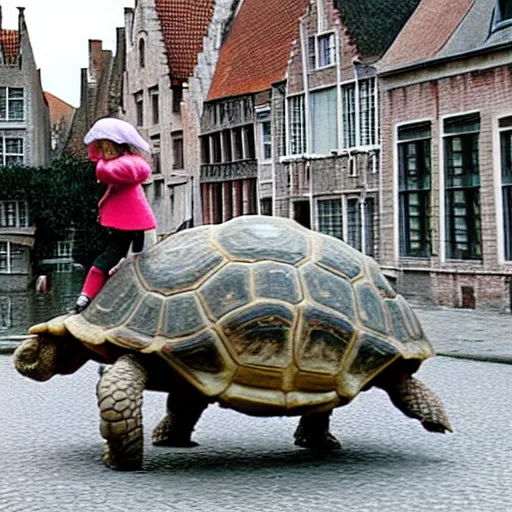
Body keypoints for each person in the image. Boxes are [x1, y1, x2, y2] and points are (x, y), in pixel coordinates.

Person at [73, 117, 157, 313]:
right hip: (123, 225)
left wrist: (102, 162)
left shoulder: (125, 165)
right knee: (110, 265)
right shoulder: (124, 164)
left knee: (127, 264)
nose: (99, 151)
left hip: (135, 227)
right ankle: (89, 300)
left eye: (102, 146)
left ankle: (88, 301)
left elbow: (110, 172)